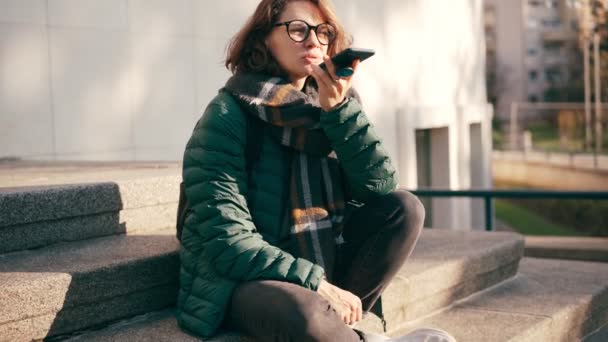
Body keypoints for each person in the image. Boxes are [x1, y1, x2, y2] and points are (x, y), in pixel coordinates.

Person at [177, 0, 456, 341]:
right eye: (298, 30)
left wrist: (338, 112)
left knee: (404, 209)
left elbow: (379, 186)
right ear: (265, 39)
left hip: (317, 257)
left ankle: (341, 330)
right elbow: (229, 242)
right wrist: (315, 283)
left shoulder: (331, 102)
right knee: (305, 312)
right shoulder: (226, 116)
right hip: (242, 277)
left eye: (323, 32)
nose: (313, 41)